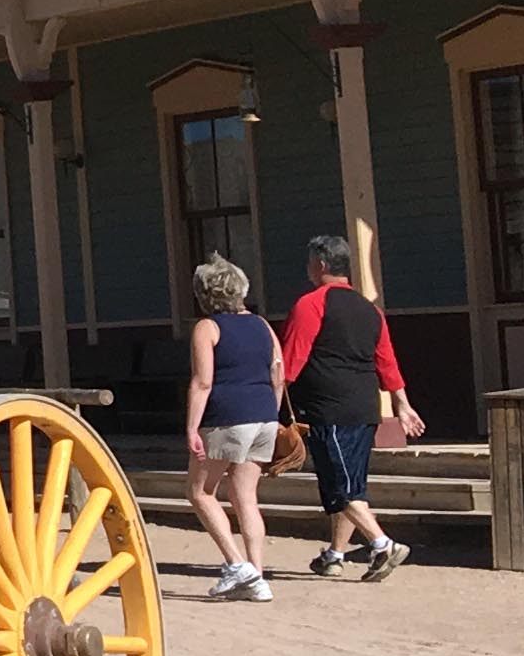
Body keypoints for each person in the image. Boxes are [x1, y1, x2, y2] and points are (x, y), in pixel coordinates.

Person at [277, 233, 423, 580]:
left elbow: (291, 362)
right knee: (353, 484)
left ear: (321, 265)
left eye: (311, 262)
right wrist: (402, 405)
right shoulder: (370, 310)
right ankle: (335, 554)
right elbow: (386, 361)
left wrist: (272, 407)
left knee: (338, 488)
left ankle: (381, 543)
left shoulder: (310, 305)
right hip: (365, 408)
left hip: (328, 409)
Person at [180, 256, 281, 601]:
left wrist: (192, 427)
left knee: (200, 492)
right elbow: (277, 373)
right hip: (265, 414)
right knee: (245, 497)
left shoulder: (207, 328)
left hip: (227, 415)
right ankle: (258, 576)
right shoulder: (262, 325)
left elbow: (202, 381)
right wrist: (273, 412)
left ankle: (238, 565)